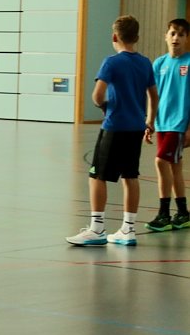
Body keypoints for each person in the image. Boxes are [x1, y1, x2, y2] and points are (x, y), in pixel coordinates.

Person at [66, 15, 158, 247]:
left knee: (97, 175)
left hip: (115, 126)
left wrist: (107, 107)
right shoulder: (145, 62)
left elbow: (97, 96)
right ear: (136, 37)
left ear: (114, 36)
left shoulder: (111, 62)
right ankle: (128, 230)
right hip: (136, 127)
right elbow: (153, 96)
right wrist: (149, 121)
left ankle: (97, 229)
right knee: (130, 176)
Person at [145, 18, 190, 232]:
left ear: (187, 39)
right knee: (174, 166)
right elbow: (153, 96)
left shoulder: (189, 63)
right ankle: (183, 213)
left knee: (160, 162)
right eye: (172, 33)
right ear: (166, 36)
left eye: (181, 34)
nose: (176, 38)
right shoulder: (159, 63)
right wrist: (149, 121)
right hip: (162, 123)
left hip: (179, 124)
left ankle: (164, 213)